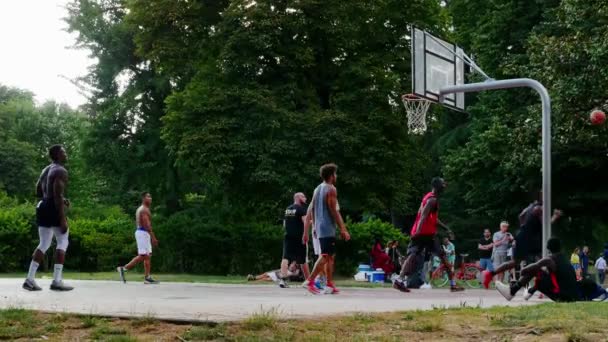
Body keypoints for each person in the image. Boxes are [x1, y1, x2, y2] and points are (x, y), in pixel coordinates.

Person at [393, 177, 464, 293]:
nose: (445, 186)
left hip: (424, 233)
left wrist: (446, 228)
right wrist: (418, 231)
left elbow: (432, 219)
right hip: (425, 234)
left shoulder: (428, 197)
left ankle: (399, 280)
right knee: (442, 257)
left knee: (413, 255)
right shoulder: (432, 200)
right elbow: (423, 216)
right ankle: (453, 284)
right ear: (437, 186)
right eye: (443, 184)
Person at [482, 194, 562, 289]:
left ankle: (490, 274)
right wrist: (555, 216)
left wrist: (524, 228)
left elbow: (520, 216)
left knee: (519, 262)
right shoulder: (538, 209)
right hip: (529, 239)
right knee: (542, 260)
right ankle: (544, 285)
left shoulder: (530, 206)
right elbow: (545, 225)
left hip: (524, 236)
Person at [23, 145, 73, 291]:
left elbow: (38, 190)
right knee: (63, 241)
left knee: (44, 244)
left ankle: (29, 279)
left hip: (43, 206)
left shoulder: (46, 169)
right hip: (53, 207)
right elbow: (57, 194)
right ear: (58, 154)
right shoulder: (60, 170)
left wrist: (55, 198)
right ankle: (57, 281)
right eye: (64, 151)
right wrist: (62, 218)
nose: (66, 154)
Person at [496, 238, 608, 302]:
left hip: (563, 297)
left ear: (548, 248)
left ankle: (512, 291)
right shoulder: (564, 258)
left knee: (537, 271)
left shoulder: (550, 259)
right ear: (560, 247)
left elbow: (525, 270)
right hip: (572, 295)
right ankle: (521, 292)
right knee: (541, 272)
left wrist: (524, 272)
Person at [303, 163, 351, 295]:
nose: (336, 176)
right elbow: (334, 211)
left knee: (330, 256)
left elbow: (312, 208)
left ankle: (329, 284)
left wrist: (315, 225)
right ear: (331, 176)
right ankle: (309, 281)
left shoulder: (317, 188)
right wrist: (343, 228)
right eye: (335, 174)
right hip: (327, 226)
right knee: (325, 255)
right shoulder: (331, 189)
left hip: (319, 225)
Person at [117, 192, 159, 284]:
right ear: (143, 198)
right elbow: (147, 225)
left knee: (148, 256)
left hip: (144, 233)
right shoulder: (143, 210)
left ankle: (147, 277)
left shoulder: (144, 209)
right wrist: (153, 237)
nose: (150, 198)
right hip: (143, 233)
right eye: (148, 197)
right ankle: (123, 269)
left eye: (150, 196)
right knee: (143, 255)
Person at [279, 192, 310, 288]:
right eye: (303, 196)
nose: (305, 198)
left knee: (285, 258)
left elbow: (285, 223)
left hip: (288, 236)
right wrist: (306, 234)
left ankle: (283, 280)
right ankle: (309, 281)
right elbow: (305, 222)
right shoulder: (301, 209)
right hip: (298, 237)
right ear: (298, 198)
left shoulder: (288, 209)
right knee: (303, 259)